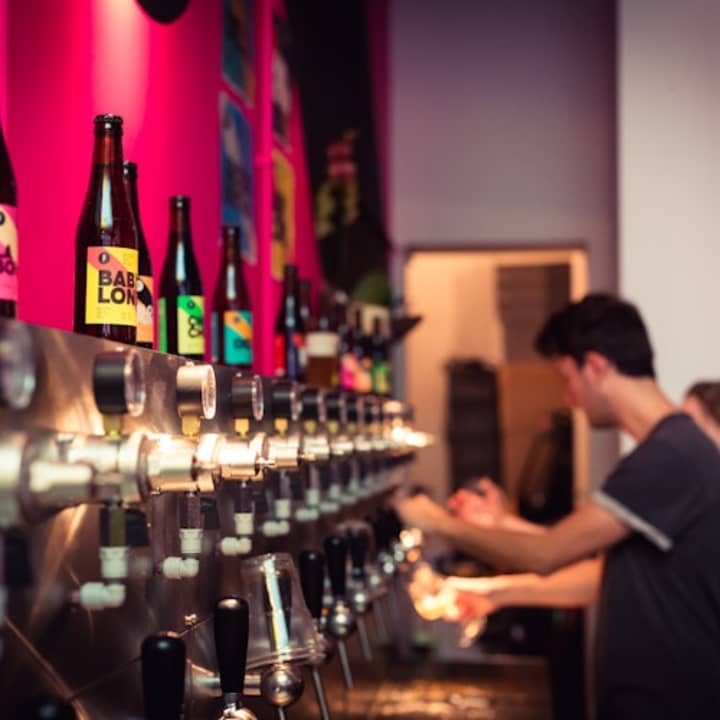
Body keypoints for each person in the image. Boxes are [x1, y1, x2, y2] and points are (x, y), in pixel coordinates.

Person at [396, 294, 720, 719]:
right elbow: (601, 576)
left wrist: (432, 519)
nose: (570, 398)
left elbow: (547, 553)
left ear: (597, 367)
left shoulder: (668, 456)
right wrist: (494, 592)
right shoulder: (670, 451)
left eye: (568, 378)